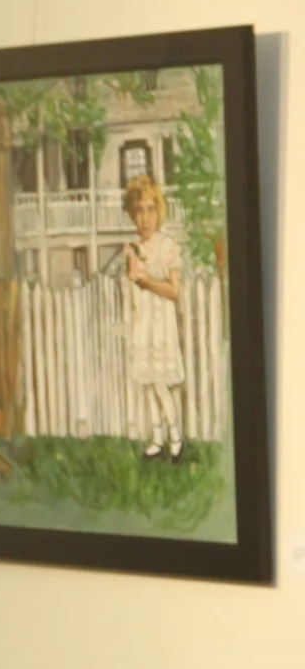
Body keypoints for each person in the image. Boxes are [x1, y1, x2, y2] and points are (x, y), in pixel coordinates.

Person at [121, 174, 185, 462]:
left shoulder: (166, 245)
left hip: (161, 327)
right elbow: (132, 283)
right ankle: (157, 437)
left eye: (150, 210)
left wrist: (147, 282)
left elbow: (173, 291)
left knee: (160, 384)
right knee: (147, 382)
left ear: (159, 211)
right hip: (143, 323)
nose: (144, 218)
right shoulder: (134, 246)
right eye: (139, 211)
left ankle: (176, 437)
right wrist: (133, 273)